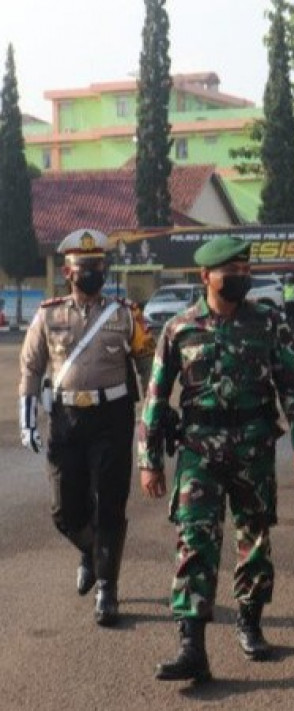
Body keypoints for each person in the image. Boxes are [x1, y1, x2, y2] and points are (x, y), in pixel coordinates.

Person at [139, 235, 294, 682]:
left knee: (254, 539)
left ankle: (250, 622)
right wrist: (149, 459)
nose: (240, 278)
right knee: (194, 542)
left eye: (244, 271)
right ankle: (191, 644)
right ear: (205, 277)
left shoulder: (268, 322)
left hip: (254, 446)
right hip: (198, 451)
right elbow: (156, 396)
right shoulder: (179, 328)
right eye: (230, 272)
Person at [18, 228, 155, 627]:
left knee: (110, 504)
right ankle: (91, 552)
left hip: (112, 419)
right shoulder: (48, 314)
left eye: (98, 266)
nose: (92, 272)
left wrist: (152, 412)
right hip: (66, 421)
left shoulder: (126, 314)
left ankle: (107, 590)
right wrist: (27, 420)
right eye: (84, 267)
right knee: (65, 510)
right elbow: (30, 367)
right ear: (68, 271)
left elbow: (148, 365)